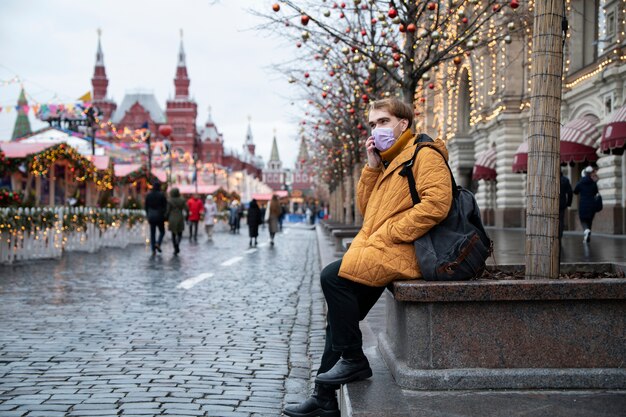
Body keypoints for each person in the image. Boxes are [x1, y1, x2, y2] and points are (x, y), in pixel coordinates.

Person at [283, 98, 453, 417]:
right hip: (387, 250)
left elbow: (437, 204)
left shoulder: (424, 154)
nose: (377, 129)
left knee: (333, 278)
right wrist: (371, 168)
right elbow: (367, 209)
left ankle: (353, 362)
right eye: (373, 124)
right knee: (340, 318)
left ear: (404, 123)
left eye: (384, 121)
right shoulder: (390, 160)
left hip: (409, 250)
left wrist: (392, 232)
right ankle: (324, 396)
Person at [574, 166, 599, 243]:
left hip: (583, 204)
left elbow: (575, 191)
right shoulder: (593, 183)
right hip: (592, 205)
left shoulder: (581, 182)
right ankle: (587, 236)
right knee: (589, 220)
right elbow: (596, 192)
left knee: (583, 220)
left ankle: (586, 230)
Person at [144, 180, 167, 256]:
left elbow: (146, 206)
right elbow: (165, 206)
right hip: (159, 216)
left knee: (152, 233)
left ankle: (153, 250)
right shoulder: (161, 195)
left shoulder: (149, 195)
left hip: (151, 216)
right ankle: (158, 243)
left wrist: (148, 214)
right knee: (162, 231)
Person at [166, 187, 187, 255]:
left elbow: (168, 210)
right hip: (180, 217)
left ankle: (175, 247)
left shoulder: (169, 200)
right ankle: (178, 243)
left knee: (173, 234)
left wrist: (166, 216)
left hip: (172, 217)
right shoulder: (182, 200)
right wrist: (187, 216)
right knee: (180, 233)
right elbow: (187, 208)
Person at [559, 171, 573, 240]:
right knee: (561, 220)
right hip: (562, 203)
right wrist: (568, 203)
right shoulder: (565, 180)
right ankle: (560, 235)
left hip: (552, 203)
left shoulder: (551, 179)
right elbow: (570, 192)